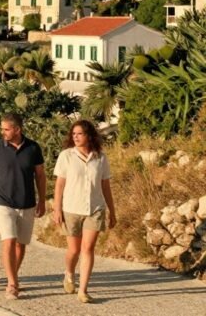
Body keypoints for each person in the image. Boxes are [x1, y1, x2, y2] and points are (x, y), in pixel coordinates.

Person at [0, 113, 46, 300]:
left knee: (21, 244)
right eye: (2, 129)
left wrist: (42, 200)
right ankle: (12, 283)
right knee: (9, 241)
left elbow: (40, 176)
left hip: (27, 202)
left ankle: (13, 277)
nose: (2, 132)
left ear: (17, 129)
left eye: (6, 129)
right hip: (3, 202)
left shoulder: (33, 148)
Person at [53, 119, 116, 304]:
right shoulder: (66, 156)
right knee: (74, 250)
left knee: (87, 248)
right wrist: (57, 208)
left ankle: (83, 290)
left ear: (89, 136)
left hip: (95, 208)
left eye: (79, 134)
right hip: (71, 208)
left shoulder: (100, 158)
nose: (76, 137)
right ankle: (69, 273)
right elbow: (59, 184)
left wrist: (112, 211)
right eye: (73, 134)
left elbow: (106, 186)